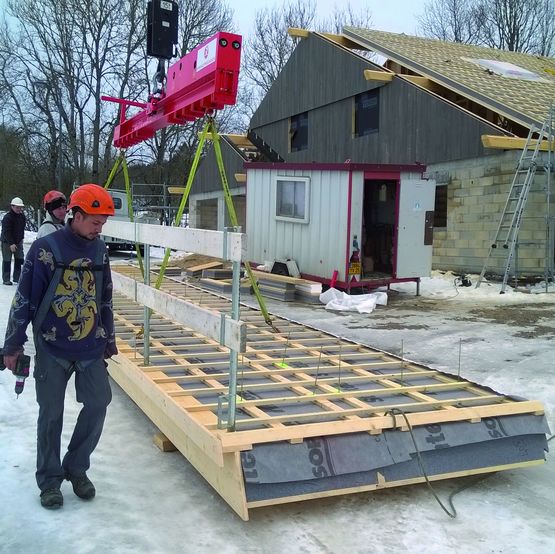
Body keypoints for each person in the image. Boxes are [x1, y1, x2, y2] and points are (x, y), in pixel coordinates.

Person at [2, 183, 118, 510]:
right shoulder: (45, 249)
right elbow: (23, 300)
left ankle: (76, 468)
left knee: (98, 404)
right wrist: (13, 344)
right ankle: (50, 481)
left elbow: (105, 297)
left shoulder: (99, 250)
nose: (100, 227)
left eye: (104, 222)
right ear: (76, 215)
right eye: (96, 220)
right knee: (51, 415)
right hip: (53, 347)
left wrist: (108, 338)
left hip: (90, 347)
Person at [1, 197, 26, 285]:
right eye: (17, 207)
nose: (19, 209)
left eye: (20, 207)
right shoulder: (7, 218)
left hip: (18, 241)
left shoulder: (22, 217)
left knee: (19, 259)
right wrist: (11, 243)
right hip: (7, 242)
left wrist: (21, 239)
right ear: (12, 206)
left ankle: (17, 277)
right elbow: (6, 232)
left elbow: (22, 229)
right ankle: (6, 279)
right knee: (7, 260)